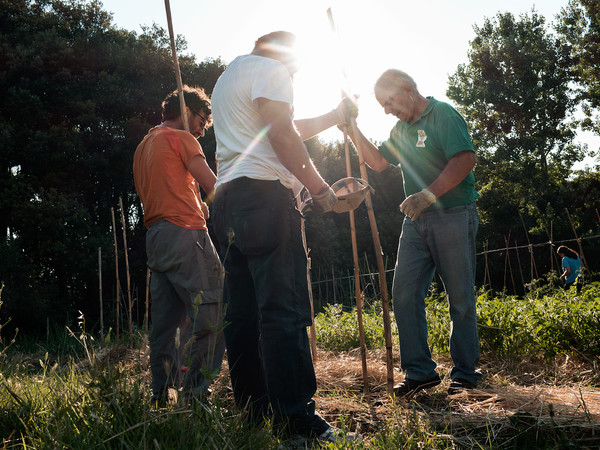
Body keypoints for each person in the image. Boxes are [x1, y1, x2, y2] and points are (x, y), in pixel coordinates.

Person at [210, 31, 357, 445]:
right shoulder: (274, 69)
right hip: (266, 199)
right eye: (297, 65)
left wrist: (333, 115)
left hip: (228, 203)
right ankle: (296, 422)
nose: (295, 72)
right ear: (286, 54)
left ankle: (253, 413)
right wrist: (321, 189)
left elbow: (282, 126)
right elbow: (282, 135)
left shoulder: (229, 77)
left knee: (242, 317)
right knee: (284, 313)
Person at [345, 69, 481, 396]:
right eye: (382, 105)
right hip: (416, 219)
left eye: (389, 101)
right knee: (404, 292)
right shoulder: (400, 129)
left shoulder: (442, 114)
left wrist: (430, 194)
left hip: (452, 213)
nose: (387, 109)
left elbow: (465, 159)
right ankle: (420, 372)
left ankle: (465, 373)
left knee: (459, 296)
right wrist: (352, 128)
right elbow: (377, 161)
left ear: (408, 88)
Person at [133, 86, 224, 407]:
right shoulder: (183, 138)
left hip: (156, 238)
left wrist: (199, 202)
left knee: (166, 327)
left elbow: (166, 189)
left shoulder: (145, 146)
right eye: (201, 120)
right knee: (214, 314)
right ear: (187, 112)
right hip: (187, 235)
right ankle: (197, 398)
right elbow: (214, 184)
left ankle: (163, 397)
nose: (202, 129)